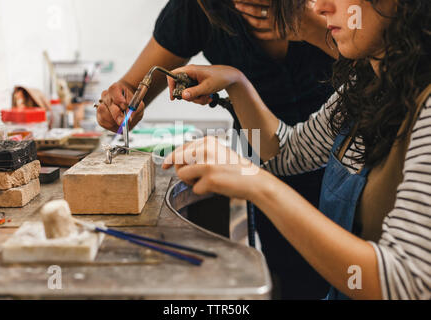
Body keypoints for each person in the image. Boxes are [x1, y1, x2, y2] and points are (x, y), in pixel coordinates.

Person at [162, 0, 431, 299]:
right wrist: (237, 83)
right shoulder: (366, 83)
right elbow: (286, 154)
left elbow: (406, 283)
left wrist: (257, 184)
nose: (320, 8)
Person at [96, 0, 337, 299]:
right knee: (293, 280)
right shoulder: (197, 9)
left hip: (347, 162)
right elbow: (283, 153)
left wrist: (318, 31)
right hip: (277, 152)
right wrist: (236, 83)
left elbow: (389, 62)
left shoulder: (338, 20)